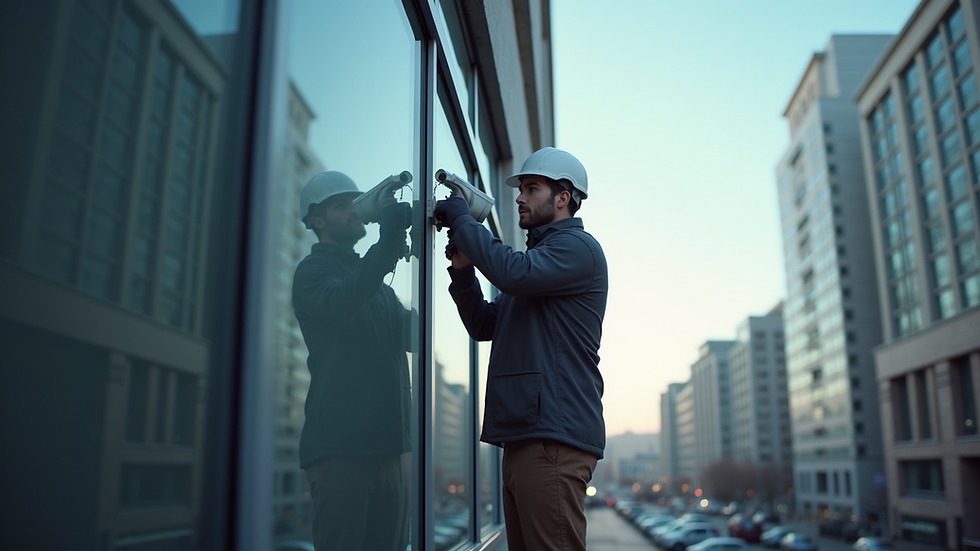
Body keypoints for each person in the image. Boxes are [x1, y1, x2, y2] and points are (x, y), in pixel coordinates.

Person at [433, 147, 608, 551]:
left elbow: (511, 272)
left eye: (532, 188)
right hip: (529, 438)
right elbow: (484, 325)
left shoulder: (577, 250)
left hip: (553, 442)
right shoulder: (538, 264)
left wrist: (461, 217)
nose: (519, 197)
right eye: (521, 189)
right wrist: (462, 271)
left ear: (563, 197)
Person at [292, 171, 413, 551]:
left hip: (388, 449)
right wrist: (387, 242)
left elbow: (413, 337)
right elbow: (344, 303)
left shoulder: (375, 284)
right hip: (341, 452)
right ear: (318, 221)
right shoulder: (312, 272)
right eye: (341, 205)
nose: (354, 210)